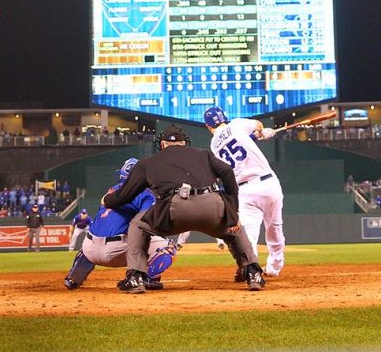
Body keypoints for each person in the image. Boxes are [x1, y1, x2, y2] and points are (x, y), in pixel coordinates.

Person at [102, 125, 264, 293]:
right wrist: (232, 210)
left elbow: (123, 196)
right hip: (212, 205)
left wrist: (107, 200)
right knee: (235, 229)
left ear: (162, 144)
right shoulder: (204, 154)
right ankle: (253, 273)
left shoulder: (148, 162)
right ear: (184, 143)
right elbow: (227, 171)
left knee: (138, 225)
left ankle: (135, 277)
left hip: (174, 210)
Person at [63, 159, 177, 290]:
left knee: (92, 237)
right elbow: (149, 221)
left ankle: (73, 278)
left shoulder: (113, 189)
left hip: (89, 250)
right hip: (116, 250)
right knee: (168, 245)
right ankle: (145, 279)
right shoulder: (145, 194)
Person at [204, 106, 285, 277]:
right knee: (275, 228)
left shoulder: (214, 145)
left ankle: (250, 269)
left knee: (249, 235)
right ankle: (274, 268)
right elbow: (258, 125)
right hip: (268, 182)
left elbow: (235, 148)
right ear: (224, 117)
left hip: (245, 189)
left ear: (208, 126)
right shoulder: (236, 124)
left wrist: (253, 137)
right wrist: (264, 132)